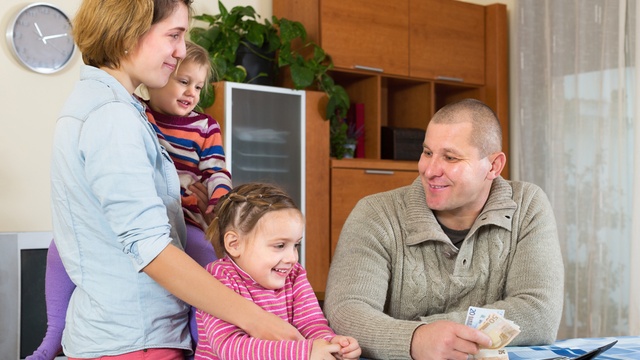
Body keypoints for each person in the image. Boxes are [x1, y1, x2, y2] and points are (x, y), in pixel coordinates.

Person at [49, 0, 302, 359]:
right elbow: (151, 249)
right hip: (137, 342)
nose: (181, 50)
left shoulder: (111, 108)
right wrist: (257, 320)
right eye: (174, 35)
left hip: (131, 337)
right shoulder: (113, 118)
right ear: (127, 32)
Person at [323, 98, 564, 360]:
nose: (429, 170)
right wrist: (415, 340)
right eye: (427, 152)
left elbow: (539, 313)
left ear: (493, 166)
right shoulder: (375, 213)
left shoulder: (528, 205)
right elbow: (345, 313)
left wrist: (429, 331)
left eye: (450, 157)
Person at [195, 182, 361, 360]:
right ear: (234, 244)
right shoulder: (218, 278)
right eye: (280, 245)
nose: (292, 258)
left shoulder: (294, 275)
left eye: (296, 245)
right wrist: (304, 352)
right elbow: (230, 347)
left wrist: (332, 344)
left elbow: (311, 324)